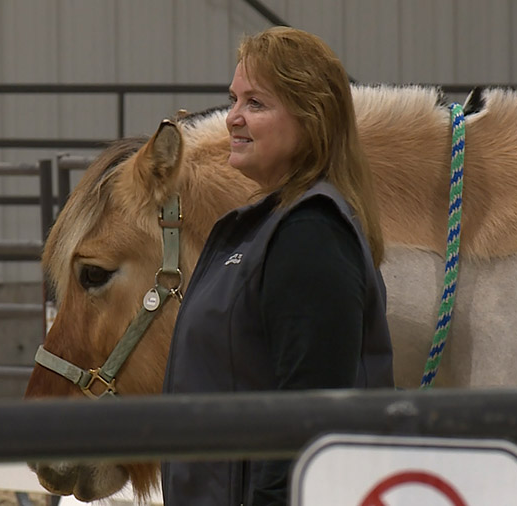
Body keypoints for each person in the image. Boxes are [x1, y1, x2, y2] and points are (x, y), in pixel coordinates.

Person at [161, 26, 395, 505]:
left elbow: (307, 419)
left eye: (256, 104)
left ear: (312, 119)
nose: (232, 119)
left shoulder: (311, 234)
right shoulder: (266, 225)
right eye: (234, 100)